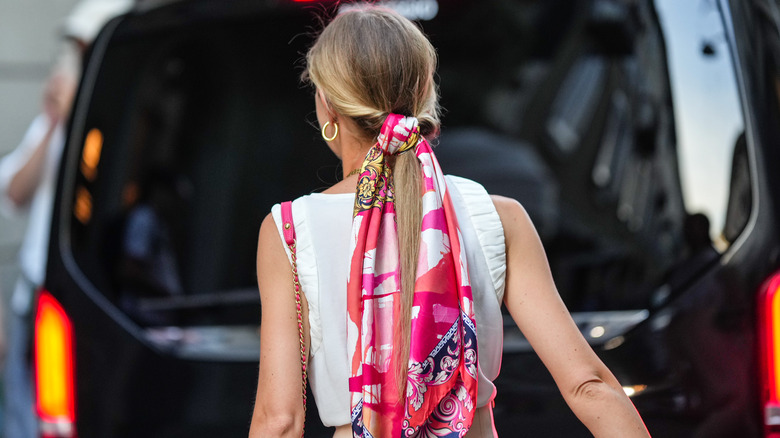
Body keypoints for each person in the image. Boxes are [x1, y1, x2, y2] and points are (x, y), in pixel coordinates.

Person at [248, 5, 650, 438]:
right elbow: (589, 386)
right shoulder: (499, 217)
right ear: (424, 93)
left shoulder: (290, 231)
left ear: (327, 107)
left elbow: (280, 420)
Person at [0, 1, 131, 437]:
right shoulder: (56, 118)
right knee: (23, 408)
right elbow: (14, 192)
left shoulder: (124, 117)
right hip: (36, 286)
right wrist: (57, 122)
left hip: (88, 294)